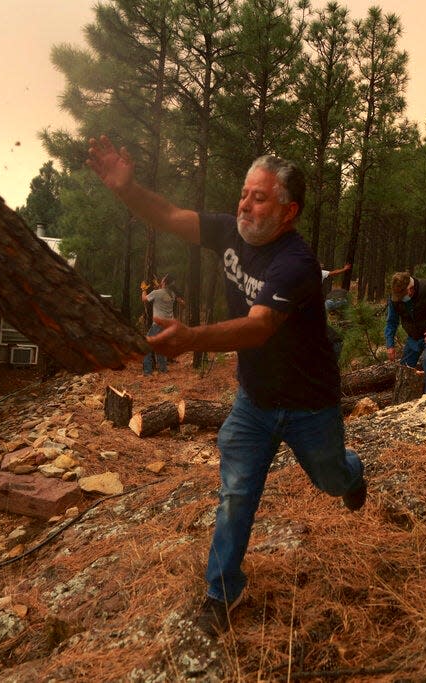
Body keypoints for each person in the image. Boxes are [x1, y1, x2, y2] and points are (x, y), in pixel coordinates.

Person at [87, 135, 366, 639]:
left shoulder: (296, 263)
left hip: (309, 406)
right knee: (236, 494)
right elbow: (170, 215)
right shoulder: (229, 231)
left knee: (331, 480)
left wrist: (191, 337)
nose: (245, 204)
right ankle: (222, 590)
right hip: (254, 403)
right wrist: (127, 191)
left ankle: (352, 474)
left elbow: (259, 327)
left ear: (288, 211)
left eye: (259, 198)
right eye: (244, 193)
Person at [384, 271, 426, 395]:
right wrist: (390, 344)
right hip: (413, 336)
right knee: (404, 367)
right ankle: (403, 398)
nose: (400, 299)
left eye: (403, 295)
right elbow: (391, 322)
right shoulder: (395, 298)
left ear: (410, 289)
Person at [141, 274, 184, 375]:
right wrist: (158, 287)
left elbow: (144, 299)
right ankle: (163, 369)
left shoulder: (156, 293)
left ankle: (147, 371)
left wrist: (143, 289)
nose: (161, 280)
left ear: (164, 282)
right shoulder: (172, 294)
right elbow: (163, 294)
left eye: (163, 280)